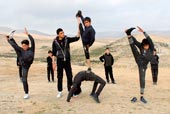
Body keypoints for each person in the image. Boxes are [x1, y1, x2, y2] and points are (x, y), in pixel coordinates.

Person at [125, 26, 154, 104]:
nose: (145, 47)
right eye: (144, 46)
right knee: (133, 47)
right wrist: (129, 35)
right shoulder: (141, 46)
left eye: (146, 46)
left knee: (142, 79)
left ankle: (141, 96)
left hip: (143, 66)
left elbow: (150, 40)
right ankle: (128, 34)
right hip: (138, 59)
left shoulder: (151, 48)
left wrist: (143, 32)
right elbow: (135, 41)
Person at [6, 28, 35, 99]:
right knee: (16, 47)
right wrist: (8, 41)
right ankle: (10, 39)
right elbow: (16, 46)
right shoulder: (21, 49)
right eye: (22, 46)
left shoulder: (32, 49)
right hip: (21, 59)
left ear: (28, 45)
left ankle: (26, 93)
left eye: (25, 46)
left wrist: (28, 34)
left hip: (26, 66)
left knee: (24, 79)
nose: (23, 47)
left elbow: (32, 41)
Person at [52, 28, 80, 98]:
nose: (63, 34)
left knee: (70, 76)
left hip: (67, 61)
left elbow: (76, 38)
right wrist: (53, 63)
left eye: (63, 32)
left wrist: (79, 29)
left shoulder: (67, 39)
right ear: (58, 34)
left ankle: (71, 91)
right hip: (59, 61)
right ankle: (60, 91)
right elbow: (54, 53)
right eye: (61, 33)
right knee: (59, 77)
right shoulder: (55, 41)